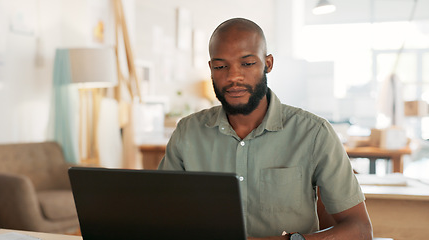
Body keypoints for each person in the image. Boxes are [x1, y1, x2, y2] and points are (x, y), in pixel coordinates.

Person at [158, 18, 373, 240]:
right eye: (221, 66)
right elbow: (159, 215)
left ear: (268, 64)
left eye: (247, 63)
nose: (233, 76)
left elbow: (360, 230)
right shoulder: (187, 133)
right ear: (211, 69)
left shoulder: (314, 133)